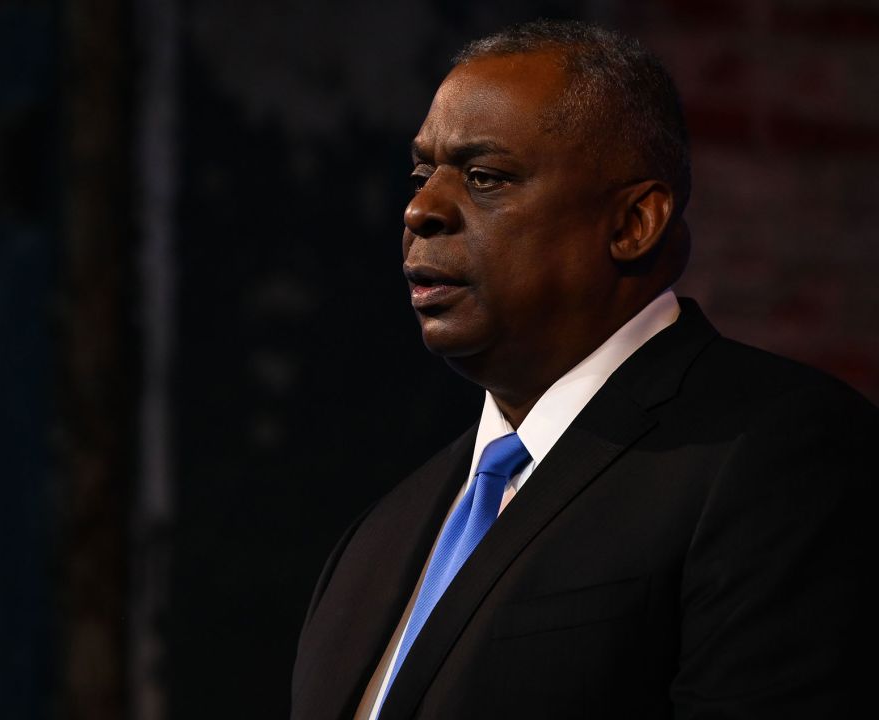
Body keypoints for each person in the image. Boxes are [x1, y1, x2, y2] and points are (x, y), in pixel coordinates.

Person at [291, 19, 876, 720]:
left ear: (633, 223)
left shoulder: (778, 454)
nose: (421, 209)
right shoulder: (380, 537)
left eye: (484, 177)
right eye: (421, 175)